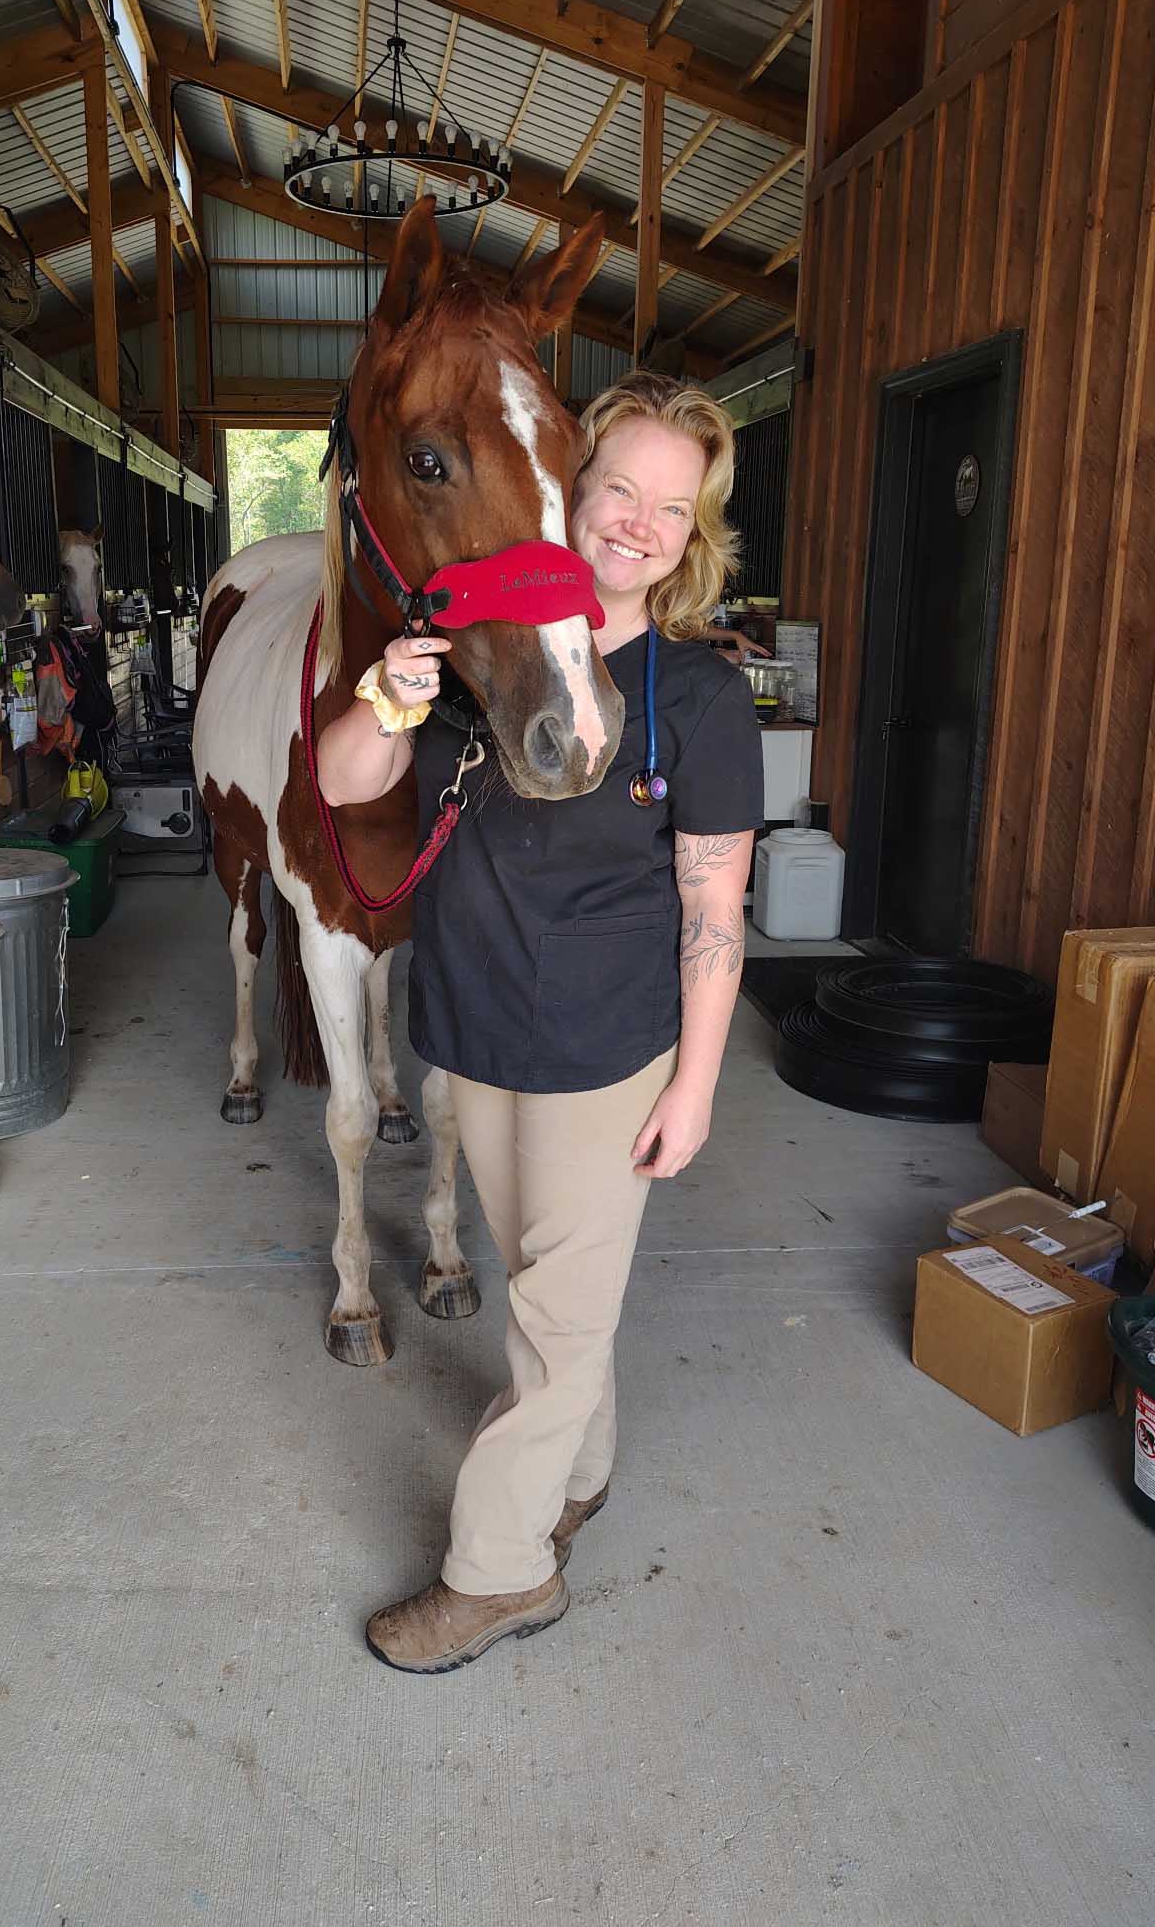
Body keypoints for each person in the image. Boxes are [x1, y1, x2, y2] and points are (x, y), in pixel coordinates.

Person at [317, 371, 765, 1675]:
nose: (635, 522)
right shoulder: (479, 649)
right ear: (566, 495)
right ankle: (589, 1470)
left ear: (691, 540)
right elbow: (347, 781)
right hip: (475, 1028)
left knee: (550, 1337)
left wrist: (692, 1086)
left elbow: (713, 910)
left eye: (669, 510)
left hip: (603, 1055)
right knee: (554, 1298)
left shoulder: (695, 699)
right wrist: (389, 692)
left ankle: (499, 1575)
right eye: (616, 488)